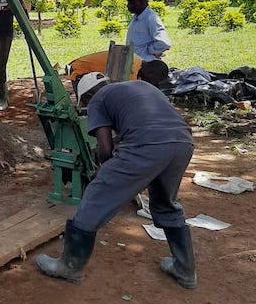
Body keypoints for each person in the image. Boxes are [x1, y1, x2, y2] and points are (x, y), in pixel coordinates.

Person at [36, 72, 197, 289]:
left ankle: (69, 266)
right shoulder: (142, 86)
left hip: (146, 146)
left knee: (94, 198)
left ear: (87, 96)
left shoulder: (98, 99)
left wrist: (103, 170)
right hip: (182, 143)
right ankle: (185, 270)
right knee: (166, 203)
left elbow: (104, 149)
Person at [125, 0, 171, 86]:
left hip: (147, 70)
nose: (128, 5)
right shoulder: (136, 18)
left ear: (140, 2)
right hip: (134, 67)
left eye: (131, 2)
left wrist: (150, 51)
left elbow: (164, 43)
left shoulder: (151, 18)